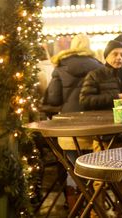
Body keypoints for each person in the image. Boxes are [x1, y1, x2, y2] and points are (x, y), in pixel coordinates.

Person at [78, 39, 122, 214]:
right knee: (99, 180)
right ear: (107, 55)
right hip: (104, 134)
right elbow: (85, 101)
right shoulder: (95, 75)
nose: (119, 57)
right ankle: (97, 214)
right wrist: (115, 96)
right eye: (115, 54)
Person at [42, 34, 101, 209]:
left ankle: (76, 205)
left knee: (72, 164)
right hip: (95, 125)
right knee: (93, 164)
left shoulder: (60, 66)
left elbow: (53, 98)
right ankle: (94, 202)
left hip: (68, 124)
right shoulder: (98, 66)